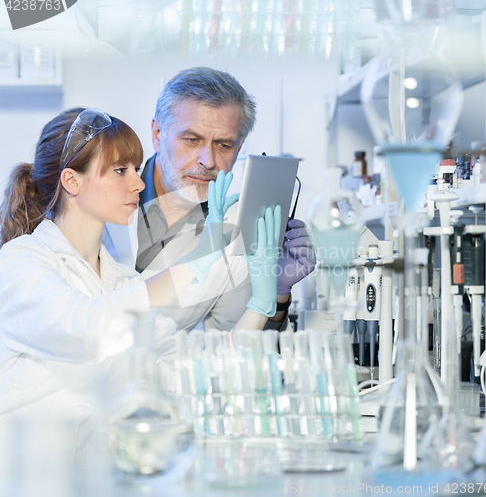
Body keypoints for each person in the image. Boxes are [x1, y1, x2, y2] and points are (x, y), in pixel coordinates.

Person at [0, 107, 281, 452]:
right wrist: (194, 264)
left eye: (135, 168)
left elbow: (193, 379)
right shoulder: (20, 261)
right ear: (72, 181)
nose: (139, 182)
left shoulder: (121, 282)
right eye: (120, 171)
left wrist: (262, 305)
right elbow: (85, 331)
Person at [103, 67, 315, 332]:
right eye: (192, 139)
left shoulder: (238, 229)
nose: (208, 160)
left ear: (240, 147)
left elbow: (236, 351)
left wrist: (278, 293)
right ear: (157, 134)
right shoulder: (100, 198)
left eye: (224, 145)